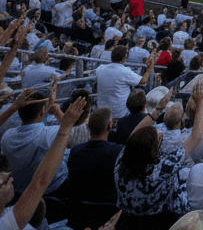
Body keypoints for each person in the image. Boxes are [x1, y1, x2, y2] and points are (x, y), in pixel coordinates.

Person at [114, 83, 203, 219]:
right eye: (160, 138)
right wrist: (201, 102)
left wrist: (158, 110)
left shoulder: (121, 163)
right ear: (154, 150)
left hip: (126, 218)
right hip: (154, 220)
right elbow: (196, 136)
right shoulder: (162, 169)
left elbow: (133, 137)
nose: (161, 134)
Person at [0, 96, 87, 230]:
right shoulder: (50, 133)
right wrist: (59, 114)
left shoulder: (7, 136)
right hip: (55, 191)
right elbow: (78, 141)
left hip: (18, 194)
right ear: (42, 112)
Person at [65, 106, 122, 206]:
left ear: (89, 127)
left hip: (79, 211)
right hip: (109, 211)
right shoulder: (117, 151)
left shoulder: (75, 151)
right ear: (109, 126)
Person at [97, 44, 157, 120]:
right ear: (124, 58)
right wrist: (149, 68)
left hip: (101, 108)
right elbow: (143, 81)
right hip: (119, 111)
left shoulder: (100, 69)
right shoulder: (124, 71)